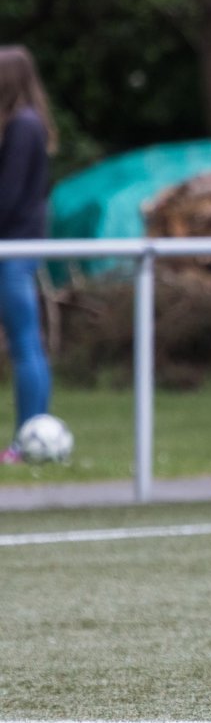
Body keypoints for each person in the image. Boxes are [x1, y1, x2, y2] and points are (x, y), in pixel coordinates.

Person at [0, 46, 55, 464]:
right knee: (25, 343)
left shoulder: (23, 126)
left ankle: (29, 438)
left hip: (14, 249)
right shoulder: (26, 123)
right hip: (16, 245)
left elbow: (10, 196)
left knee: (25, 344)